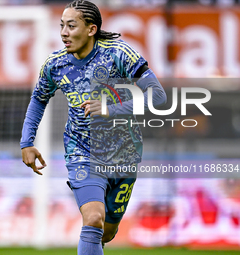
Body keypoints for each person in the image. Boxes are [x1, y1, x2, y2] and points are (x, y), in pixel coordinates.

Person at [20, 1, 167, 254]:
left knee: (106, 232)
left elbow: (158, 96)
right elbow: (38, 99)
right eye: (61, 26)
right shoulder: (55, 65)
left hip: (124, 153)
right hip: (82, 152)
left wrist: (111, 108)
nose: (64, 32)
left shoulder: (119, 54)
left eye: (71, 25)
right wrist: (27, 142)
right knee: (93, 219)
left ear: (91, 29)